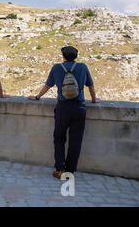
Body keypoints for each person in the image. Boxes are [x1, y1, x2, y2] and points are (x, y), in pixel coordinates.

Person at [28, 46, 100, 179]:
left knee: (59, 138)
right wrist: (94, 100)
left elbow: (48, 85)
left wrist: (37, 96)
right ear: (76, 56)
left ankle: (60, 169)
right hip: (79, 108)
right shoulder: (83, 67)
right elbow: (91, 85)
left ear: (63, 56)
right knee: (75, 140)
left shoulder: (56, 68)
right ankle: (70, 171)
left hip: (63, 107)